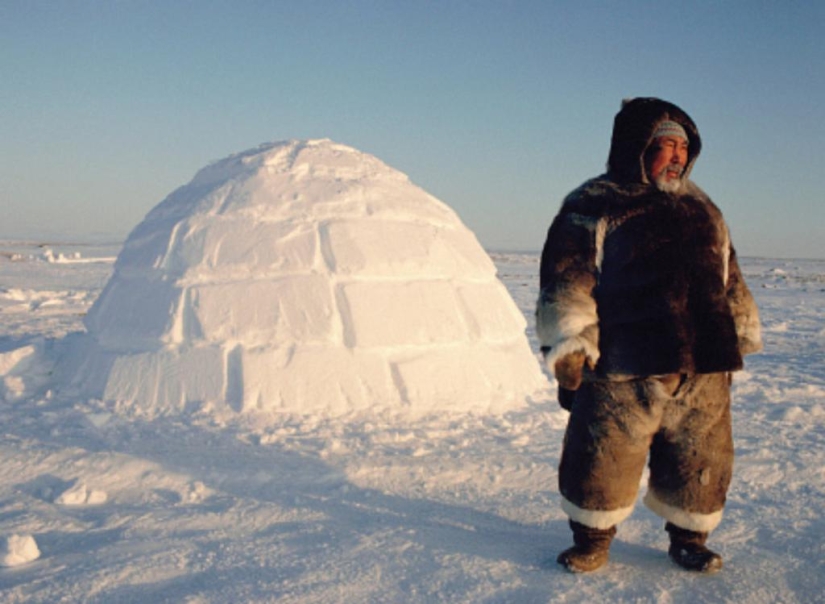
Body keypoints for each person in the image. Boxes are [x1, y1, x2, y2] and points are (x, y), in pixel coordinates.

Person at [536, 97, 762, 574]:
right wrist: (571, 343)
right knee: (603, 456)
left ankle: (690, 537)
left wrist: (737, 330)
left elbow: (729, 273)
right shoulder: (595, 202)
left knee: (700, 458)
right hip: (623, 363)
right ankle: (593, 537)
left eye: (684, 146)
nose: (677, 156)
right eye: (665, 145)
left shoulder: (704, 208)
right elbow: (567, 278)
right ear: (635, 147)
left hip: (701, 363)